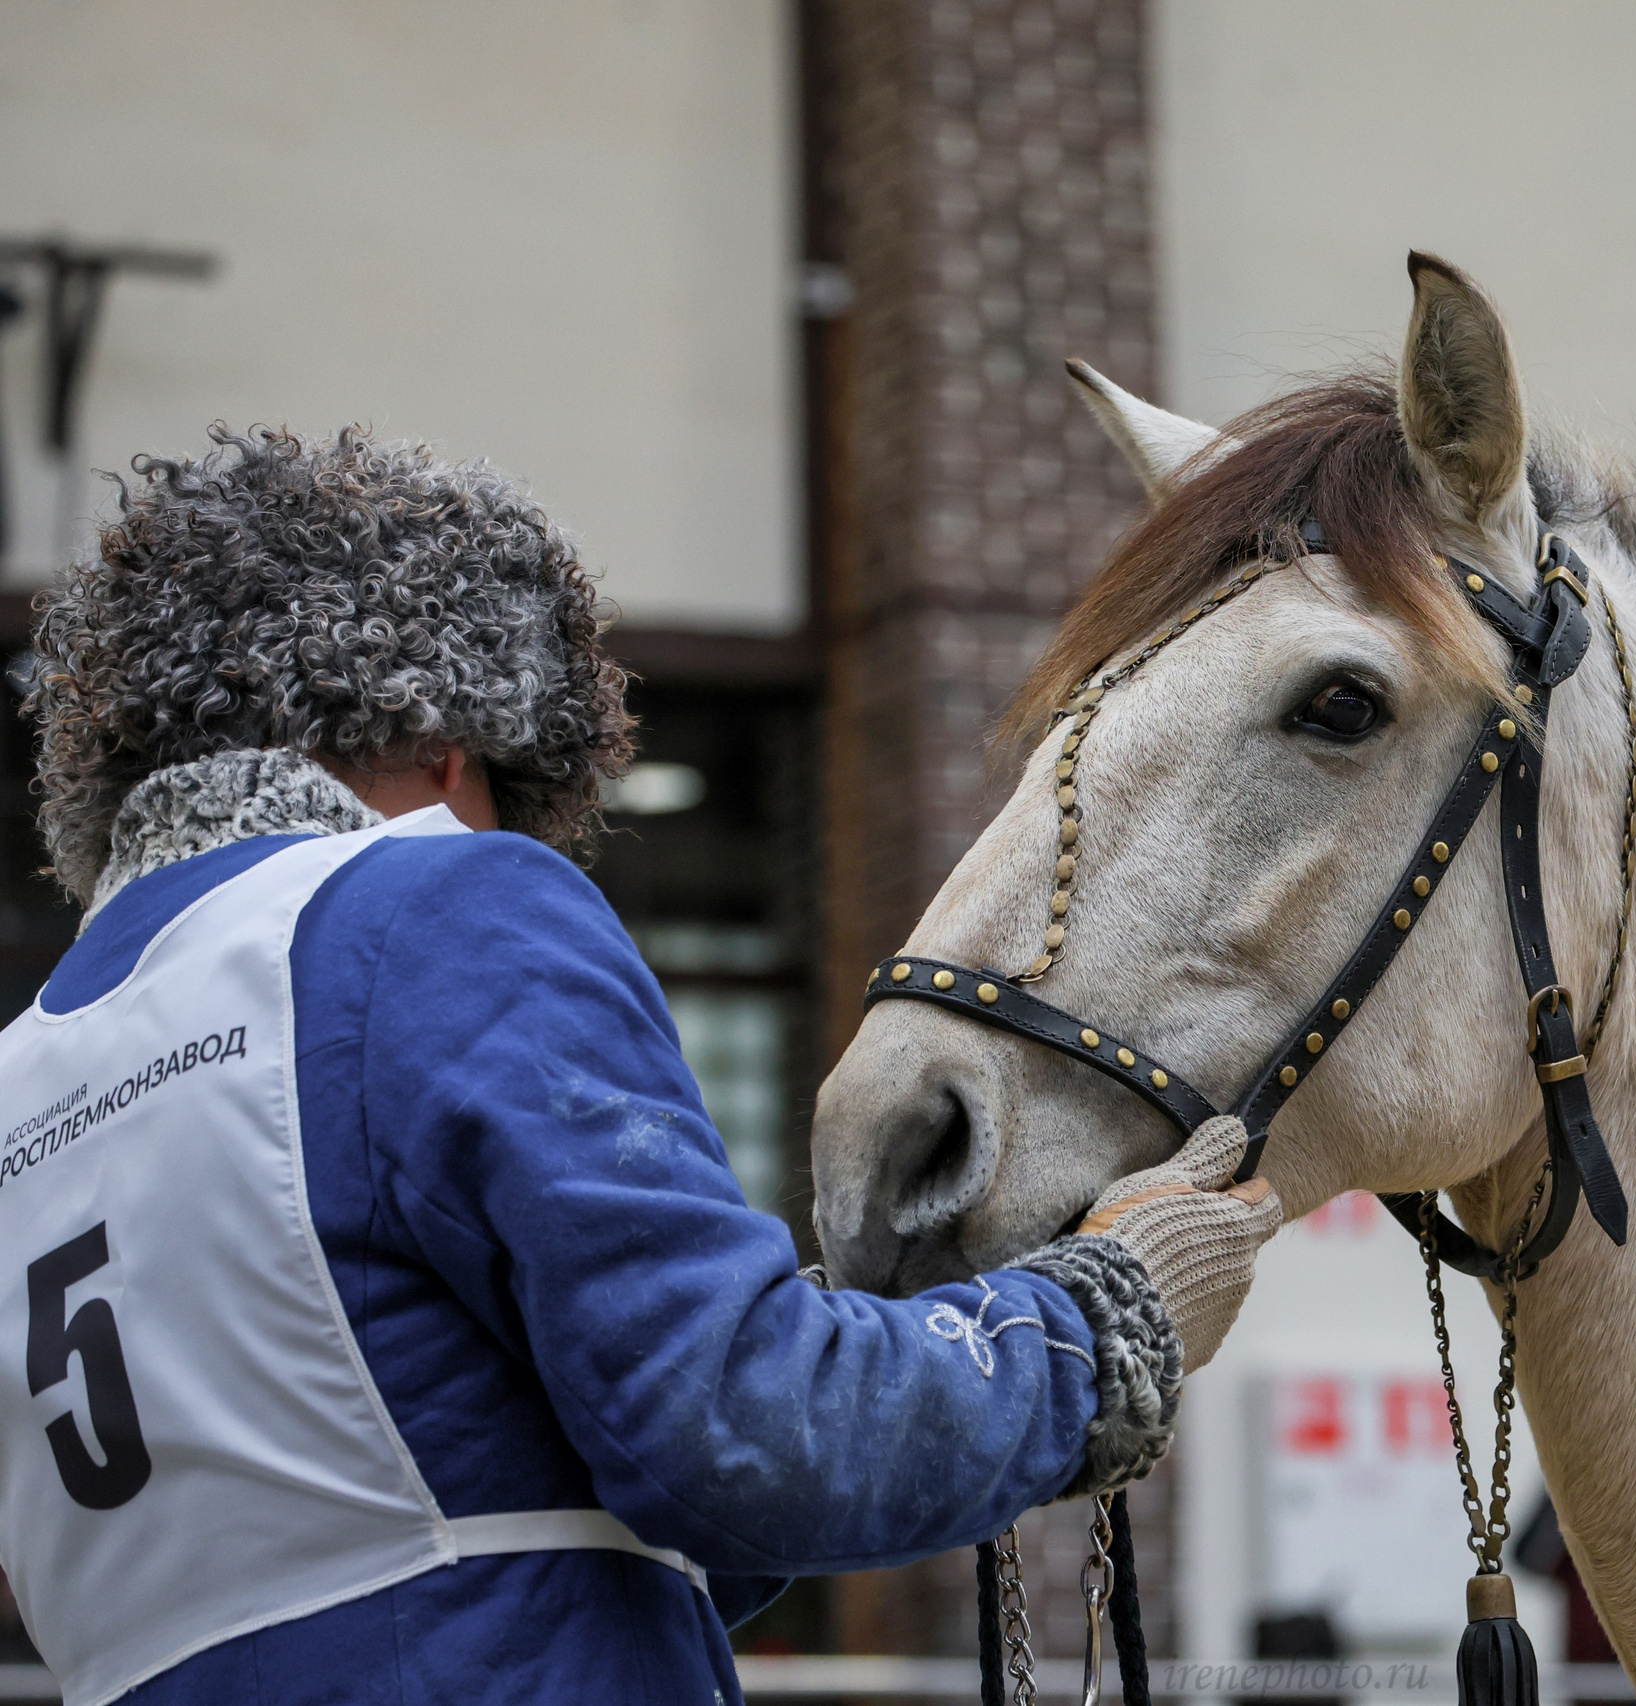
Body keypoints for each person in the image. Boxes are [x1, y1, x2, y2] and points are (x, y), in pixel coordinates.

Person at [0, 426, 1283, 1706]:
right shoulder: (430, 905)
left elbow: (525, 1516)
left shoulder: (32, 1072)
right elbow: (747, 1435)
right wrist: (1100, 1322)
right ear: (453, 750)